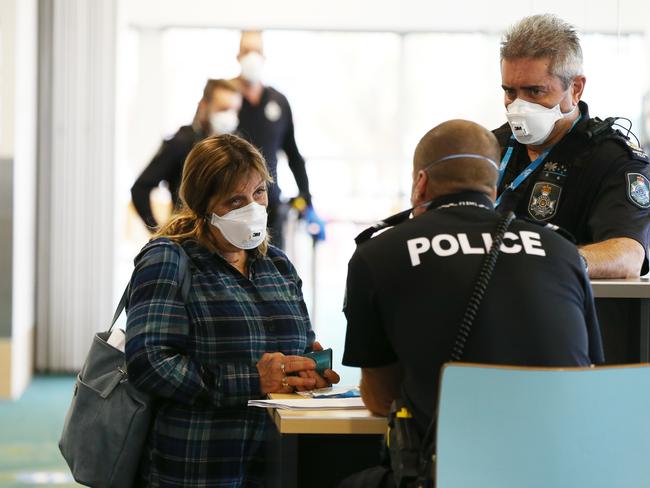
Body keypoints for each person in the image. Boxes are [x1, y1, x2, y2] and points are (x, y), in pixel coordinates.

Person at [340, 120, 604, 486]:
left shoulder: (379, 252)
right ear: (493, 186)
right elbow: (588, 377)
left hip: (452, 475)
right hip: (563, 473)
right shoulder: (563, 251)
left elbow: (380, 396)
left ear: (420, 184)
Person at [125, 133, 340, 487]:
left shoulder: (278, 266)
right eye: (235, 200)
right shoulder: (169, 259)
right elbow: (148, 362)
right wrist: (253, 380)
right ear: (203, 206)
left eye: (258, 193)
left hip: (274, 463)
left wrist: (307, 374)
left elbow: (300, 346)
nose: (253, 207)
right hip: (198, 467)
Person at [494, 13, 650, 279]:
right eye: (510, 91)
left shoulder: (614, 161)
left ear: (576, 88)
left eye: (534, 92)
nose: (519, 105)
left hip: (567, 312)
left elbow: (627, 255)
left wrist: (541, 262)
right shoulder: (490, 147)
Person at [232, 30, 324, 248]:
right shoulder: (225, 99)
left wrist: (307, 200)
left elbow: (293, 154)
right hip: (231, 205)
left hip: (269, 205)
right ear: (238, 56)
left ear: (264, 57)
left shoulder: (278, 101)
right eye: (246, 51)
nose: (251, 56)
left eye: (257, 51)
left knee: (271, 269)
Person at [131, 78, 242, 231]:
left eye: (234, 110)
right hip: (187, 239)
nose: (229, 116)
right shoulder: (181, 142)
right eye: (223, 109)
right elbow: (140, 189)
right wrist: (158, 231)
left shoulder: (238, 147)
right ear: (204, 106)